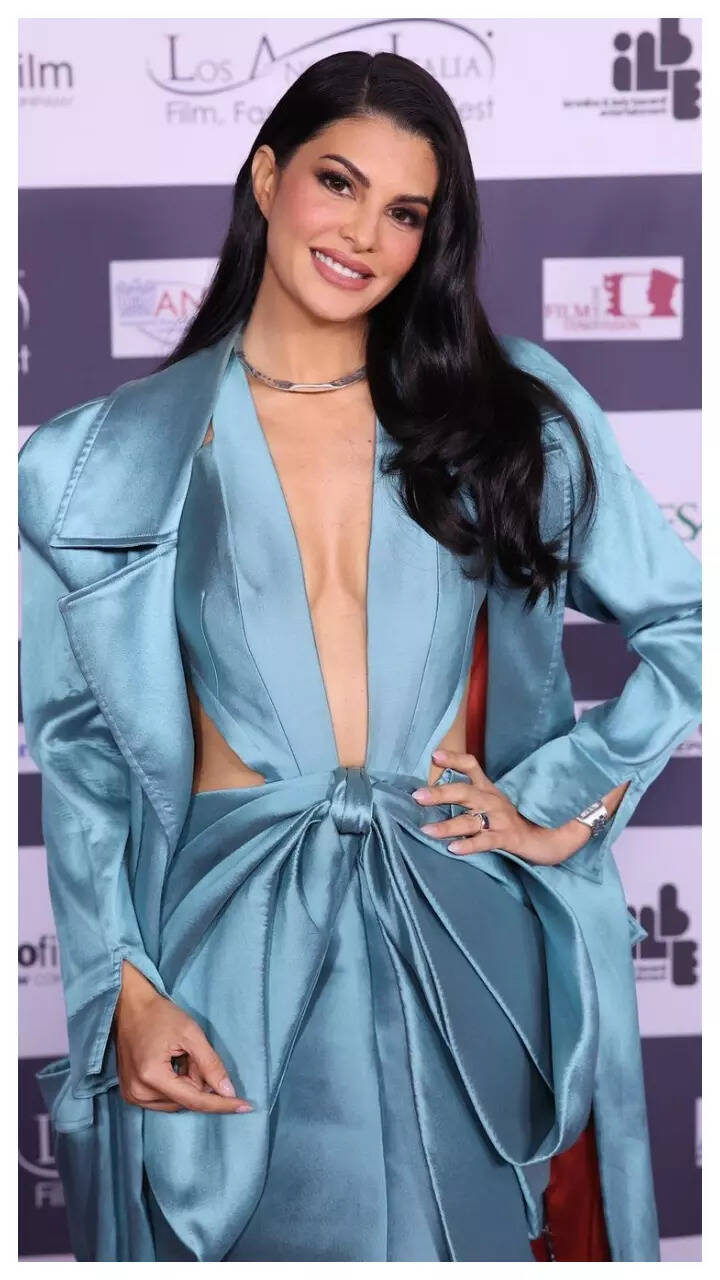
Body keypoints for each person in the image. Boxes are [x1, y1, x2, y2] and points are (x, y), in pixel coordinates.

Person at [18, 51, 701, 1263]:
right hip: (226, 939)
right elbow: (79, 758)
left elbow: (685, 623)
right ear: (266, 176)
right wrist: (120, 985)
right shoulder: (98, 457)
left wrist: (560, 800)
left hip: (458, 927)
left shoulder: (505, 412)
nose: (363, 235)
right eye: (337, 182)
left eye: (405, 211)